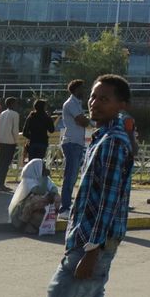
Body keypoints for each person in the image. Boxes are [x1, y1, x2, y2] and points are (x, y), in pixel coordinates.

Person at [40, 74, 135, 297]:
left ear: (121, 105)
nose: (95, 103)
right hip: (87, 241)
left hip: (91, 245)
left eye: (104, 99)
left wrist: (92, 251)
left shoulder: (113, 141)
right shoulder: (102, 136)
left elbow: (109, 199)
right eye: (93, 96)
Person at [59, 80, 90, 216]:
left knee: (73, 176)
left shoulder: (77, 103)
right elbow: (81, 120)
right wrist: (95, 121)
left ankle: (67, 205)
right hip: (71, 142)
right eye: (82, 88)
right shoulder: (71, 103)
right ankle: (64, 208)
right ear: (76, 89)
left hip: (77, 143)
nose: (85, 91)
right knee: (70, 176)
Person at [9, 158, 60, 233]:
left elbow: (54, 188)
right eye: (42, 167)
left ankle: (45, 224)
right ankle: (22, 224)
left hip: (40, 209)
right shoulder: (28, 179)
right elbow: (39, 191)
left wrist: (52, 194)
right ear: (36, 168)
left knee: (57, 197)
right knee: (37, 199)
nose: (44, 169)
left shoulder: (44, 178)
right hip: (21, 210)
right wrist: (44, 178)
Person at [0, 96, 21, 192]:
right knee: (6, 164)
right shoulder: (15, 114)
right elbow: (15, 130)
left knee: (1, 163)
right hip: (10, 142)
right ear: (12, 104)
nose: (17, 105)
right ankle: (0, 184)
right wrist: (16, 141)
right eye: (16, 103)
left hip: (1, 140)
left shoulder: (2, 113)